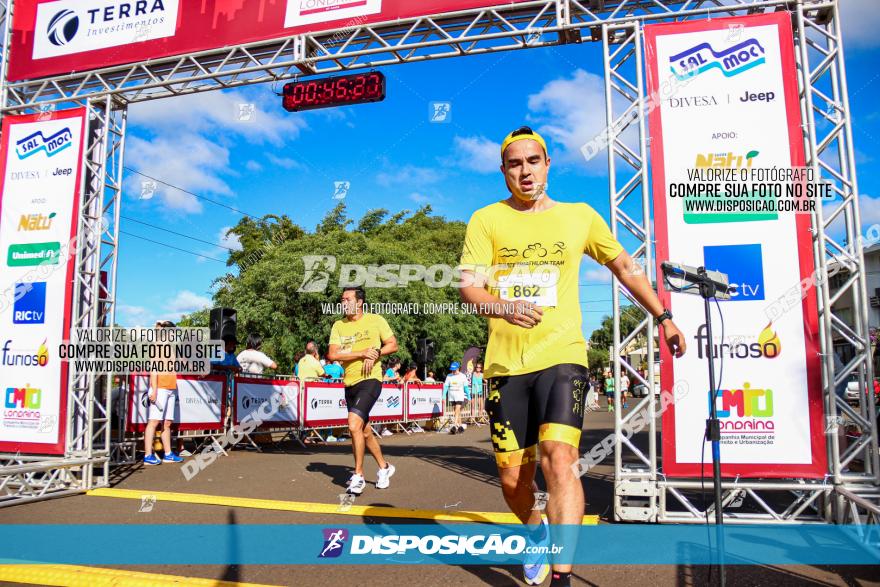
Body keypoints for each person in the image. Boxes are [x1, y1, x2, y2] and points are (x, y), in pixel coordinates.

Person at [458, 126, 686, 587]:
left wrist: (664, 316)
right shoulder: (485, 219)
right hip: (506, 364)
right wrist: (502, 306)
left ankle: (561, 576)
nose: (525, 171)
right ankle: (534, 529)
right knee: (512, 481)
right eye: (515, 163)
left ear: (548, 164)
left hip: (564, 354)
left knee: (559, 458)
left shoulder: (580, 216)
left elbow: (624, 265)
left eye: (533, 161)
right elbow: (469, 286)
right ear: (504, 171)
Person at [327, 286, 399, 495]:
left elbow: (392, 345)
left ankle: (357, 475)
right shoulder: (338, 325)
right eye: (341, 299)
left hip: (371, 379)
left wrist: (375, 353)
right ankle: (385, 468)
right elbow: (333, 354)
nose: (343, 302)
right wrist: (361, 353)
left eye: (347, 299)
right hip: (349, 383)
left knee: (353, 424)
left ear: (359, 302)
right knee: (364, 431)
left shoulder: (375, 320)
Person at [144, 320, 184, 465]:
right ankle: (148, 455)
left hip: (171, 387)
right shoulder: (158, 345)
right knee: (154, 421)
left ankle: (168, 454)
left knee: (167, 423)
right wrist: (154, 390)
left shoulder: (171, 348)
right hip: (160, 387)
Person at [443, 362, 470, 434]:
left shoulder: (463, 376)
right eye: (452, 370)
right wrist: (443, 396)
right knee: (457, 411)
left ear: (458, 368)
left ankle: (454, 426)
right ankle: (460, 427)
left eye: (454, 369)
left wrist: (469, 396)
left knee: (457, 410)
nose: (453, 371)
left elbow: (466, 387)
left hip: (459, 395)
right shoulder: (449, 376)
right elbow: (445, 386)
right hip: (452, 396)